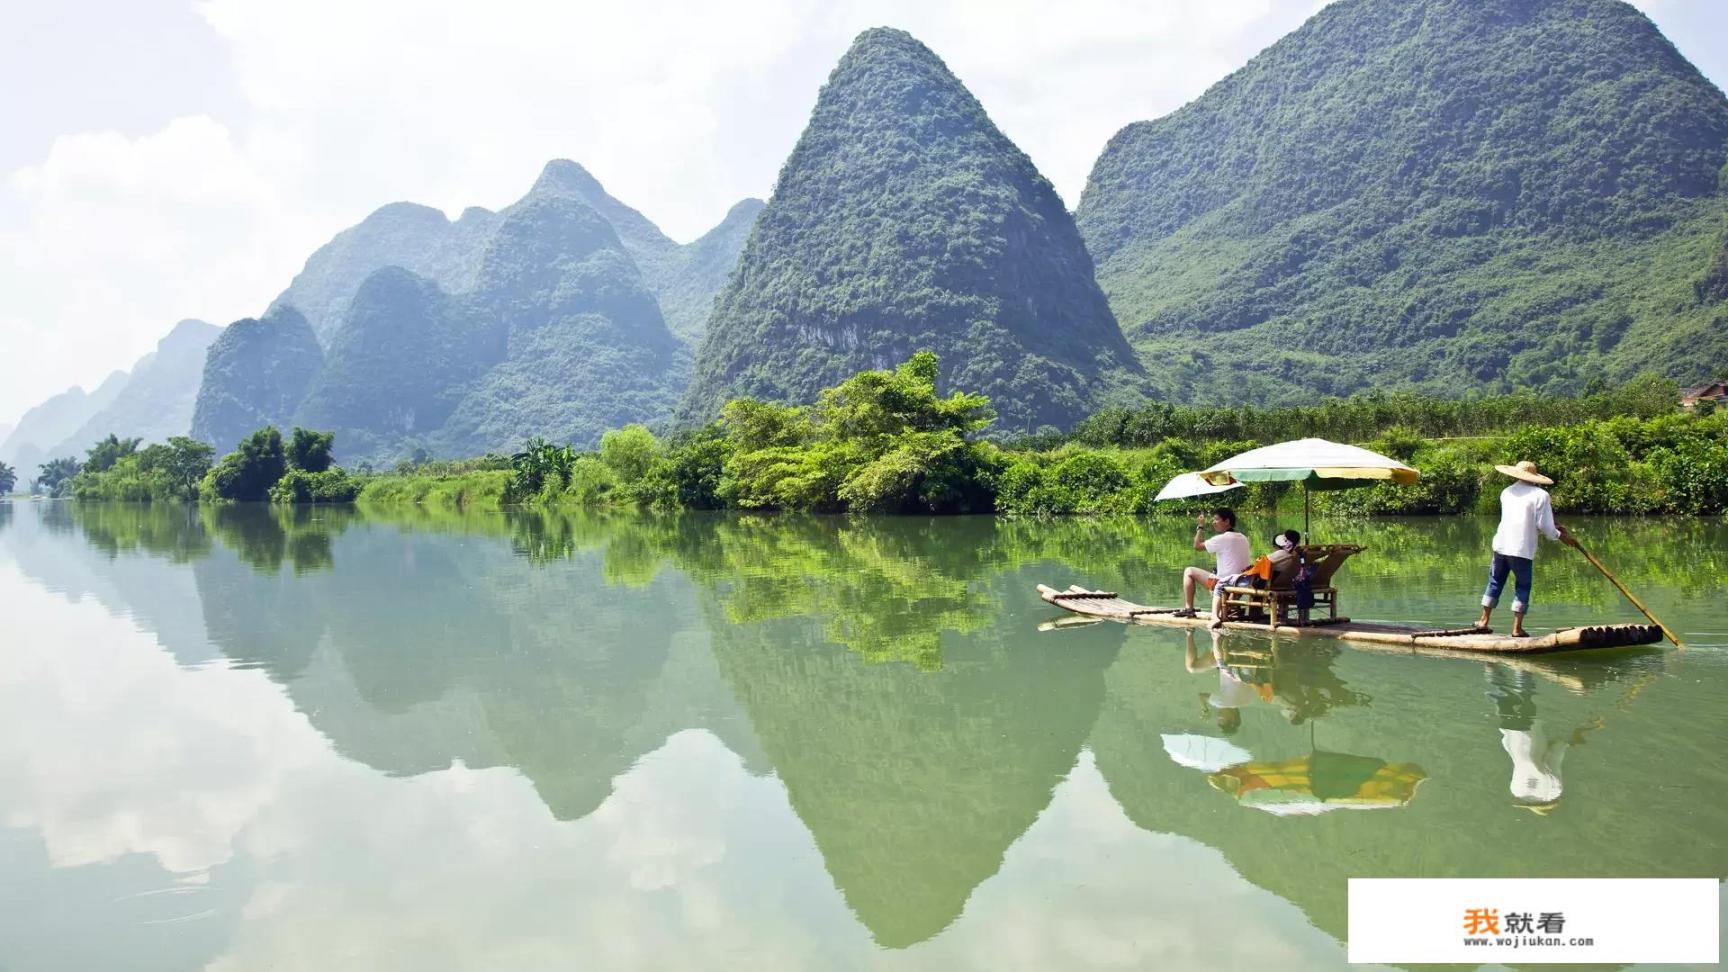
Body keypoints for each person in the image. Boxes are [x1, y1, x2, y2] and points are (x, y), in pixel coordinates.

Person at [1475, 460, 1575, 638]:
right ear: (1535, 477)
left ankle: (1483, 621)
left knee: (1495, 582)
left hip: (1501, 544)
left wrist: (1553, 527)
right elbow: (1544, 526)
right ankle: (1517, 629)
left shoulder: (1506, 492)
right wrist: (1561, 536)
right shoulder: (1540, 495)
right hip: (1521, 548)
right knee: (1523, 587)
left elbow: (1523, 518)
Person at [1209, 529, 1302, 628]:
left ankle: (1214, 616)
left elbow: (1262, 563)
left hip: (1261, 583)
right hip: (1282, 584)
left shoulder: (1282, 554)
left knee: (1221, 583)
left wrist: (1251, 568)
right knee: (1235, 580)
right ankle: (1234, 610)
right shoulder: (1296, 556)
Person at [1175, 507, 1250, 619]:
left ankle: (1189, 609)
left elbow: (1197, 546)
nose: (1213, 522)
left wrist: (1200, 527)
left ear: (1227, 521)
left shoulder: (1221, 539)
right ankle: (1230, 607)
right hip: (1241, 582)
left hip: (1225, 583)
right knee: (1215, 573)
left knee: (1189, 571)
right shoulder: (1243, 537)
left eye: (1216, 519)